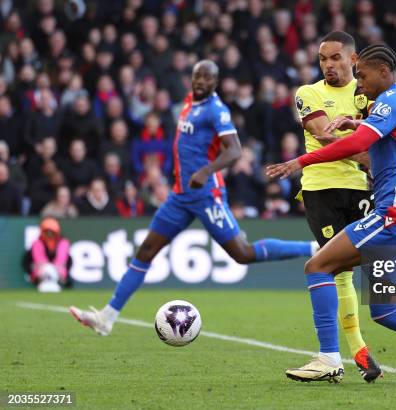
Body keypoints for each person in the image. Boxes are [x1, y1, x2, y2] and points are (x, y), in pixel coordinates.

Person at [267, 44, 396, 385]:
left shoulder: (391, 100)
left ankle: (328, 357)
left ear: (383, 71)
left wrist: (301, 160)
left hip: (393, 214)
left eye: (363, 76)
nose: (360, 84)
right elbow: (382, 139)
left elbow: (356, 145)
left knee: (318, 265)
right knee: (384, 310)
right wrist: (355, 121)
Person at [70, 60, 316, 336]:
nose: (201, 81)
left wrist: (206, 171)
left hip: (206, 195)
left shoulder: (216, 110)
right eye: (197, 76)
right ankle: (107, 317)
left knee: (243, 253)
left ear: (215, 82)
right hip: (179, 196)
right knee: (146, 251)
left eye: (207, 78)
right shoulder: (189, 101)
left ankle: (312, 248)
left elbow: (235, 150)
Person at [22, 217, 72, 292]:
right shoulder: (37, 243)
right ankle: (43, 282)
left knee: (56, 267)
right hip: (41, 273)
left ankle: (57, 283)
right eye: (47, 231)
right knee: (45, 267)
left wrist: (58, 271)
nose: (49, 234)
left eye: (52, 232)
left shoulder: (63, 243)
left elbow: (62, 260)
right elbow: (39, 260)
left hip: (58, 272)